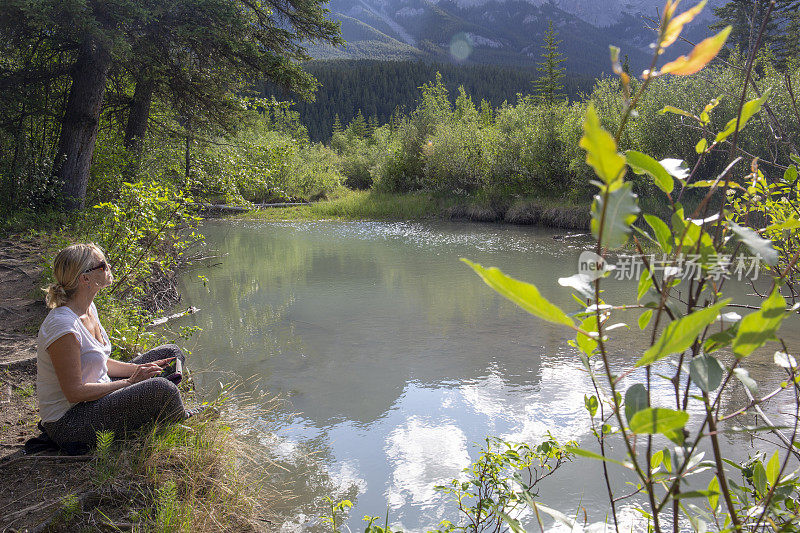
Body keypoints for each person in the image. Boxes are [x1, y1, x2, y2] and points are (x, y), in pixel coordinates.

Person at [37, 243, 194, 449]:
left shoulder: (88, 307)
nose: (109, 266)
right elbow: (74, 392)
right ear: (85, 278)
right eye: (102, 265)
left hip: (95, 397)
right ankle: (180, 418)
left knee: (171, 354)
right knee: (162, 388)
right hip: (70, 423)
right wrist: (130, 383)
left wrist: (139, 370)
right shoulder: (63, 327)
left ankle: (160, 404)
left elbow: (100, 362)